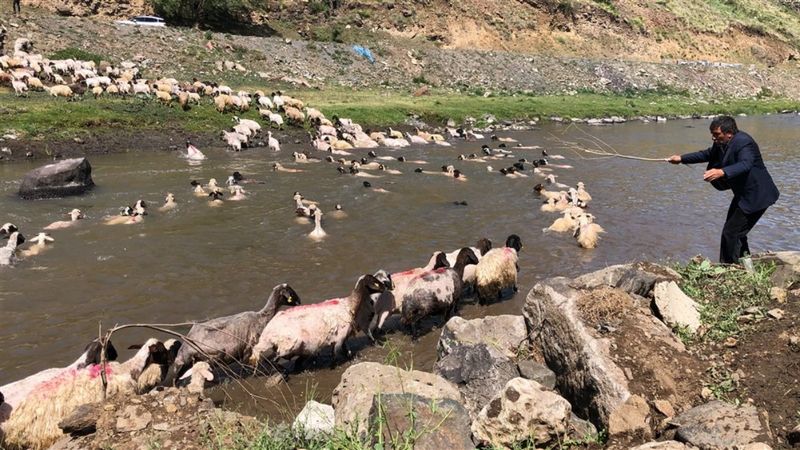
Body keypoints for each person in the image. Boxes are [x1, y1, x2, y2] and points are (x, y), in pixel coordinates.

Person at [667, 116, 779, 264]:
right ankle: (745, 267)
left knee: (730, 233)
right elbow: (707, 154)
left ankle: (729, 268)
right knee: (737, 233)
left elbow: (746, 164)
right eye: (712, 134)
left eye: (716, 134)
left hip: (757, 196)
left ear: (729, 133)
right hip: (743, 195)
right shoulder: (721, 143)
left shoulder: (744, 142)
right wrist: (681, 158)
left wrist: (722, 172)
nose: (713, 138)